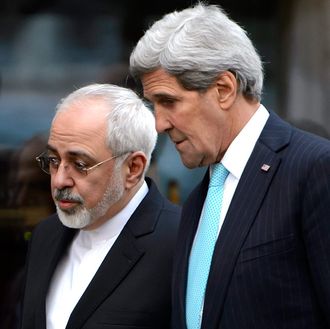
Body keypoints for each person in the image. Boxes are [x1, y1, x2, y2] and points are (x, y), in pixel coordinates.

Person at [129, 3, 330, 329]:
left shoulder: (314, 169)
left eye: (169, 101)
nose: (158, 124)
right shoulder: (201, 198)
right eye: (153, 105)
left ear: (223, 89)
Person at [20, 83, 181, 329]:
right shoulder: (45, 234)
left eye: (81, 164)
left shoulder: (183, 242)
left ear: (133, 168)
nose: (59, 180)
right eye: (54, 160)